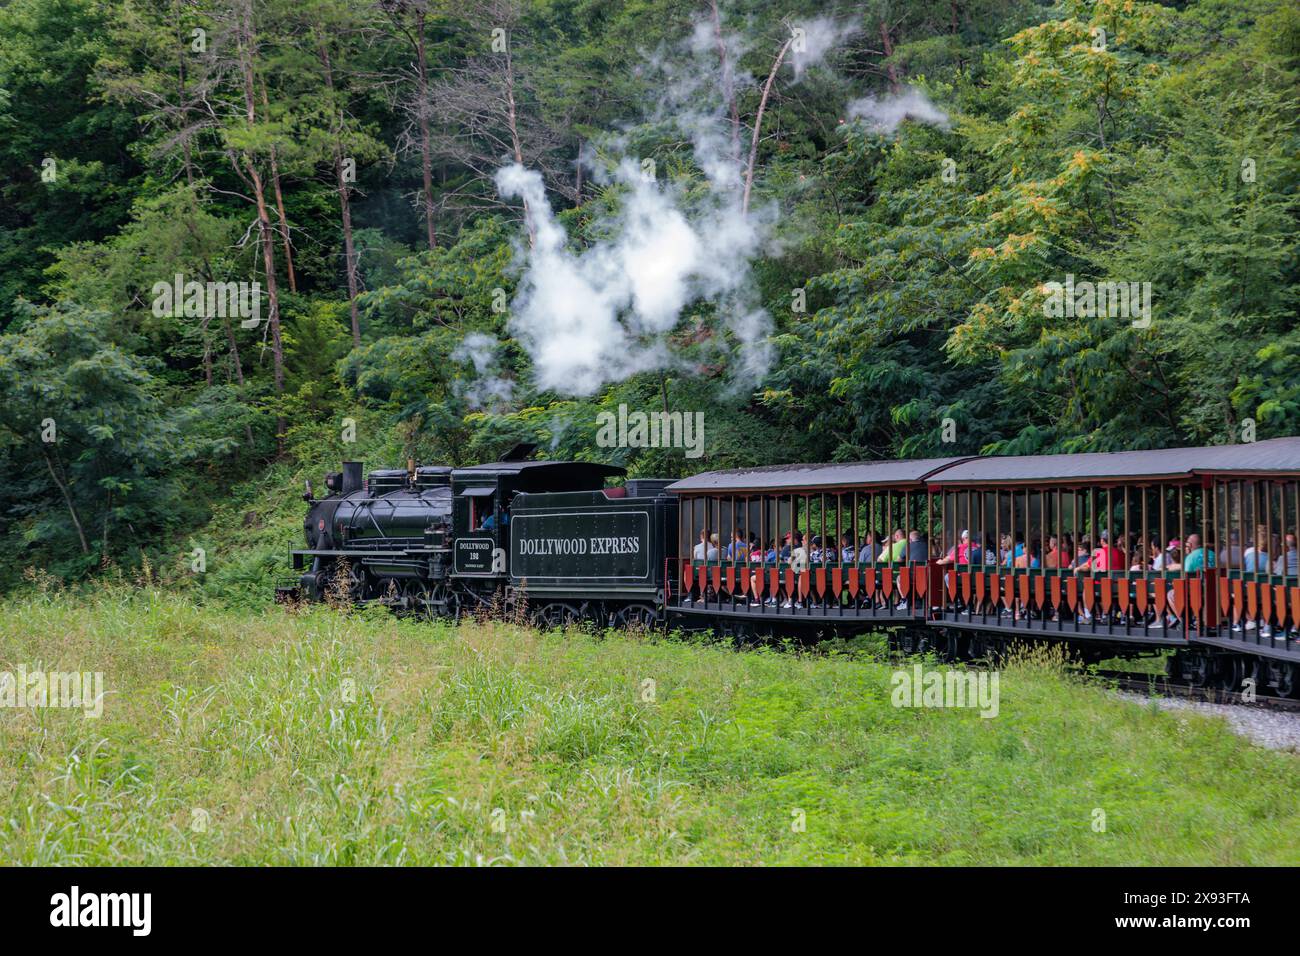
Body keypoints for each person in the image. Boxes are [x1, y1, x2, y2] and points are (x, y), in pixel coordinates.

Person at [783, 533, 808, 609]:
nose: (802, 541)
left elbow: (789, 561)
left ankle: (790, 600)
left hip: (803, 573)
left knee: (790, 574)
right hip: (816, 575)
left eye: (803, 540)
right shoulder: (814, 550)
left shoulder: (801, 549)